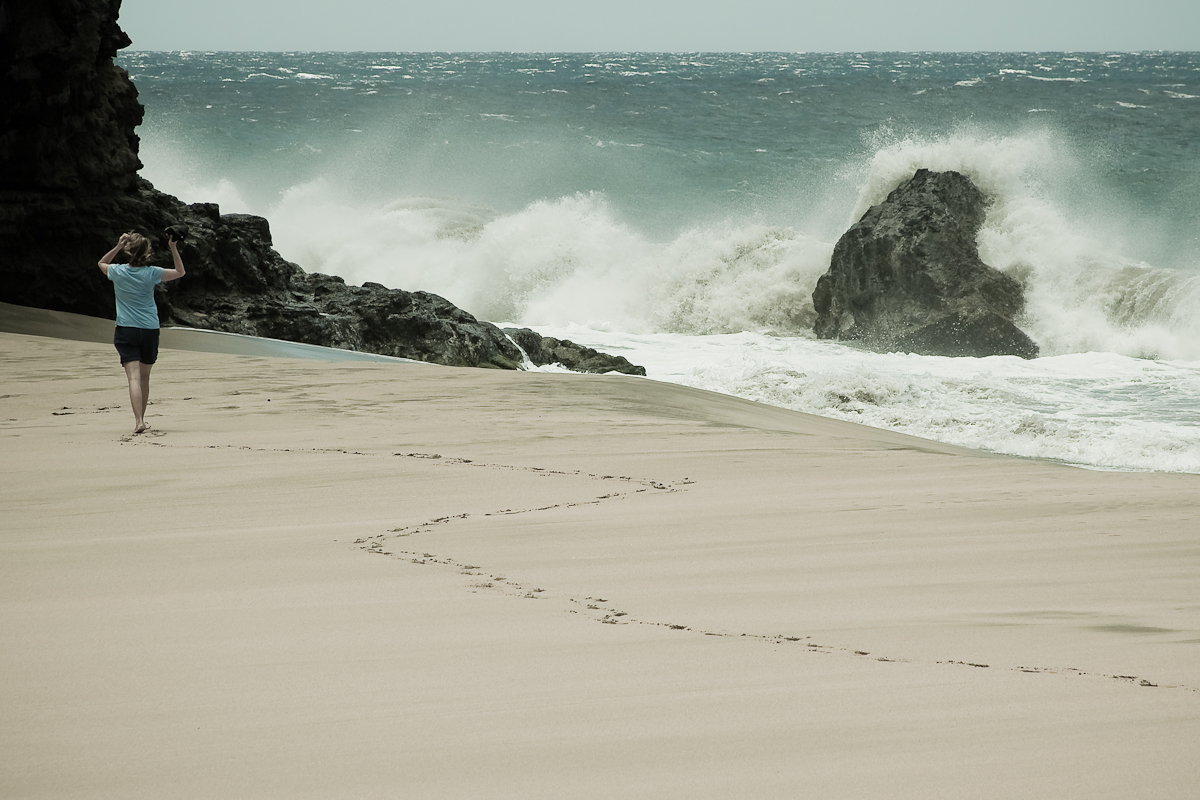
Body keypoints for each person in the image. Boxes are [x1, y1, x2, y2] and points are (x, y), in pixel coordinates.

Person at [97, 231, 186, 434]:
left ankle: (139, 421)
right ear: (147, 252)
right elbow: (180, 272)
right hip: (149, 330)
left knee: (134, 378)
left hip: (126, 330)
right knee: (144, 378)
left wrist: (118, 246)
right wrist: (173, 248)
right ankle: (142, 419)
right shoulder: (152, 272)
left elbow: (101, 262)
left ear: (129, 251)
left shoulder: (117, 271)